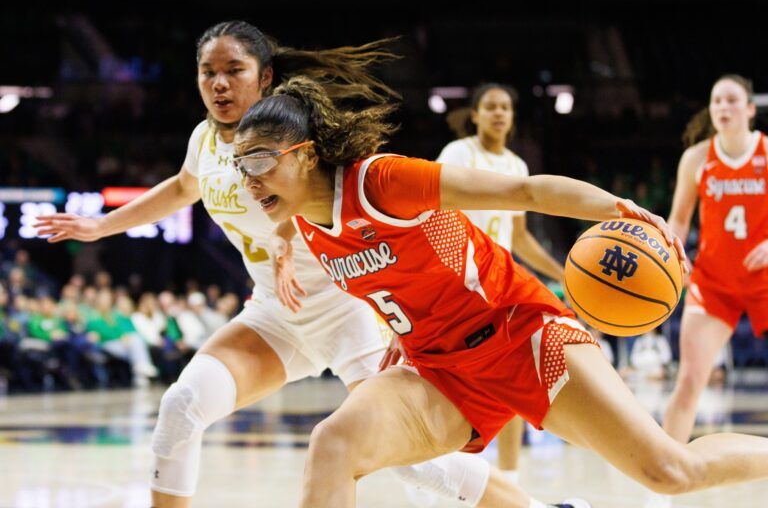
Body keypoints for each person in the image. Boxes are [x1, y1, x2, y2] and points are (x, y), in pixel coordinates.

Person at [34, 21, 551, 508]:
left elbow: (364, 206)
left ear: (264, 77)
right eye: (207, 72)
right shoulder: (204, 140)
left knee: (417, 466)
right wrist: (101, 226)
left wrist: (289, 238)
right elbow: (183, 187)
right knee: (180, 408)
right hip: (276, 316)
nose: (218, 83)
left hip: (351, 310)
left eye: (233, 70)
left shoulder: (306, 142)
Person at [237, 75, 768, 508]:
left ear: (306, 155)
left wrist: (619, 208)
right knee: (334, 443)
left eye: (260, 160)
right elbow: (377, 269)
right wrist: (402, 324)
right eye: (242, 167)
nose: (250, 180)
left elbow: (525, 191)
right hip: (439, 367)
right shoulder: (303, 221)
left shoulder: (381, 181)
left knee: (669, 470)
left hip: (521, 335)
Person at [648, 74, 768, 507]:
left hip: (764, 279)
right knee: (690, 379)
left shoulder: (767, 152)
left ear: (750, 109)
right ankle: (660, 488)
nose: (723, 107)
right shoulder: (696, 158)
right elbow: (679, 220)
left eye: (732, 100)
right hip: (713, 281)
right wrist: (667, 256)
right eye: (717, 100)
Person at [437, 82, 564, 484]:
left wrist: (562, 274)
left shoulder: (516, 166)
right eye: (490, 107)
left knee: (514, 386)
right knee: (454, 389)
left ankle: (510, 479)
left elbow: (521, 236)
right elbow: (435, 212)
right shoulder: (458, 154)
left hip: (499, 287)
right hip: (455, 286)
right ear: (474, 115)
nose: (498, 113)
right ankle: (450, 476)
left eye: (505, 107)